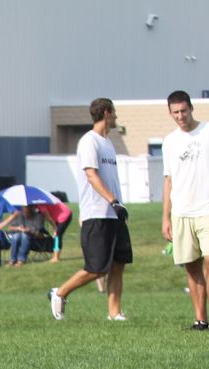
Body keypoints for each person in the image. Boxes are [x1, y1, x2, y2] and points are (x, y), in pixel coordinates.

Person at [50, 98, 132, 322]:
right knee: (97, 268)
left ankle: (114, 312)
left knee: (119, 263)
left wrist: (118, 207)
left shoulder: (108, 143)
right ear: (106, 113)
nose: (116, 116)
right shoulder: (89, 141)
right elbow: (91, 175)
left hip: (114, 214)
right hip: (97, 213)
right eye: (114, 112)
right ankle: (60, 293)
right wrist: (113, 201)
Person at [161, 90, 209, 332]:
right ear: (170, 113)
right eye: (175, 112)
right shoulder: (169, 141)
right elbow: (168, 180)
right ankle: (200, 320)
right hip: (181, 212)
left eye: (184, 111)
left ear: (191, 108)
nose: (180, 116)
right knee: (191, 266)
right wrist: (166, 217)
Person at [39, 194, 73, 263]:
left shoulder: (40, 205)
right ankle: (55, 256)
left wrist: (55, 228)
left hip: (65, 215)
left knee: (57, 236)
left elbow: (49, 218)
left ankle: (56, 258)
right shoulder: (39, 204)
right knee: (56, 235)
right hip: (58, 216)